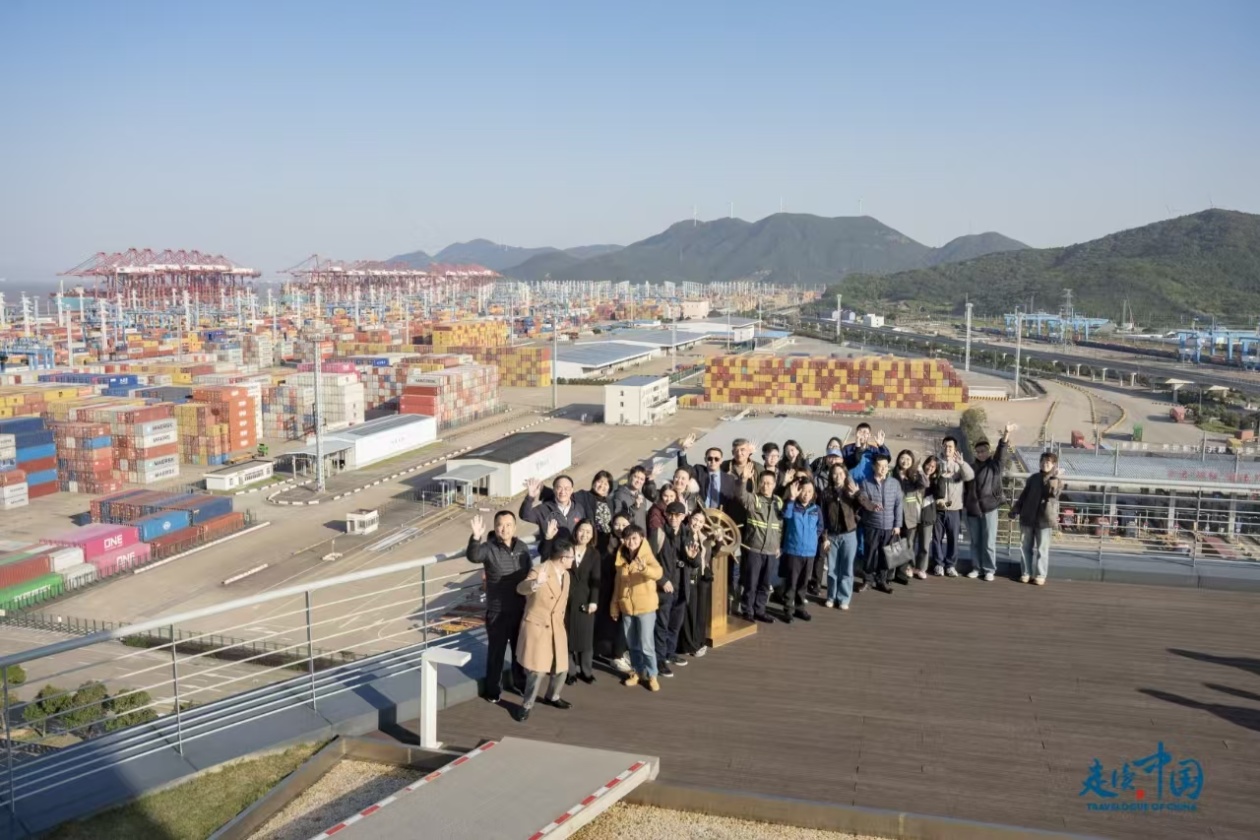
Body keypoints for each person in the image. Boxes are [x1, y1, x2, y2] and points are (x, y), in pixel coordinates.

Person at [468, 511, 531, 703]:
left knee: (519, 651)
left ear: (515, 527)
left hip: (519, 608)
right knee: (496, 653)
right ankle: (493, 690)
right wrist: (476, 537)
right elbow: (474, 556)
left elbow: (529, 573)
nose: (504, 529)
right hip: (497, 611)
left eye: (508, 524)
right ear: (495, 528)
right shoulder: (489, 548)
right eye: (500, 525)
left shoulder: (522, 547)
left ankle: (520, 683)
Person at [512, 541, 575, 722]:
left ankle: (552, 696)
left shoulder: (566, 575)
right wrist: (535, 584)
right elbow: (521, 588)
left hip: (557, 626)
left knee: (561, 667)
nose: (573, 560)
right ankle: (527, 705)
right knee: (537, 671)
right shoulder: (540, 570)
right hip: (539, 626)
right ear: (563, 558)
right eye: (571, 557)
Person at [610, 525, 664, 691]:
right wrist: (614, 605)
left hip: (645, 607)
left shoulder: (646, 555)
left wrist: (644, 569)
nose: (631, 541)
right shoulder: (621, 557)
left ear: (641, 538)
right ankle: (638, 672)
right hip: (627, 607)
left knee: (646, 644)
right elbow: (618, 583)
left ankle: (652, 675)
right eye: (627, 538)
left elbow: (658, 573)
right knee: (632, 643)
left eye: (634, 538)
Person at [649, 501, 697, 677]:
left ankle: (669, 652)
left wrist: (692, 558)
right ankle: (659, 659)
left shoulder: (688, 534)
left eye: (678, 515)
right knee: (661, 625)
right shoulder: (659, 533)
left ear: (683, 517)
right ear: (666, 515)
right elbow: (649, 561)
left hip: (682, 587)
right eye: (670, 514)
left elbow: (696, 563)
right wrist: (662, 580)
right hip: (664, 588)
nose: (674, 518)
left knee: (675, 625)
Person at [964, 423, 1015, 582]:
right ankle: (976, 568)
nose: (981, 454)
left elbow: (1002, 452)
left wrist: (1006, 434)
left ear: (988, 451)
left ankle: (989, 569)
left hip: (989, 508)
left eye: (984, 451)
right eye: (978, 451)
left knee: (989, 542)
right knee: (975, 541)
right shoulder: (971, 467)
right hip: (973, 509)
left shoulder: (995, 465)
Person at [1010, 452, 1063, 585]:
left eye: (1048, 462)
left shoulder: (1057, 480)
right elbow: (1023, 496)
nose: (1045, 464)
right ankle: (1026, 573)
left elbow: (1052, 494)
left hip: (1044, 519)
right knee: (1025, 547)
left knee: (1042, 549)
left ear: (1054, 465)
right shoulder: (1033, 478)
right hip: (1027, 517)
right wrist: (1015, 509)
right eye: (1042, 461)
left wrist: (1053, 477)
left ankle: (1040, 575)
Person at [739, 470, 783, 622]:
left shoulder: (779, 502)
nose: (765, 486)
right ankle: (748, 610)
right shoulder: (754, 499)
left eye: (769, 483)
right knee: (751, 583)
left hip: (771, 551)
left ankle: (760, 610)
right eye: (763, 482)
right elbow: (742, 496)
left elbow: (780, 527)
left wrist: (778, 545)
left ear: (774, 485)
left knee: (765, 584)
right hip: (754, 550)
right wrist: (743, 480)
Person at [857, 452, 904, 595]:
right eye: (880, 466)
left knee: (886, 555)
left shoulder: (894, 483)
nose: (883, 469)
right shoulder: (866, 483)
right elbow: (863, 499)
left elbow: (899, 505)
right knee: (870, 554)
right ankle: (867, 580)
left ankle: (882, 580)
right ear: (873, 467)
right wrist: (872, 505)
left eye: (886, 466)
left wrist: (897, 525)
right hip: (872, 525)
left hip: (889, 526)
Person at [819, 462, 863, 609]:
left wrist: (857, 494)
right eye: (834, 474)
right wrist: (824, 538)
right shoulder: (826, 493)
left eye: (840, 473)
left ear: (845, 475)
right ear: (831, 476)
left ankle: (844, 598)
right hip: (832, 535)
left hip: (849, 534)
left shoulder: (850, 491)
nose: (837, 476)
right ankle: (831, 596)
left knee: (847, 568)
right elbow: (823, 517)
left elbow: (864, 506)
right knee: (832, 568)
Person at [780, 478, 823, 623]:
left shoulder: (816, 509)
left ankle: (799, 608)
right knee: (791, 582)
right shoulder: (792, 506)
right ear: (798, 491)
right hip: (793, 551)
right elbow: (785, 516)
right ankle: (788, 609)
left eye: (810, 491)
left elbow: (820, 527)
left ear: (813, 493)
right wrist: (791, 498)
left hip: (809, 553)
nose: (806, 494)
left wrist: (813, 540)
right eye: (803, 491)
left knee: (804, 582)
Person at [563, 520, 601, 685]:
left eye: (588, 531)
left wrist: (594, 601)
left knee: (585, 639)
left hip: (585, 600)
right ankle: (570, 672)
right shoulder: (566, 549)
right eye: (581, 530)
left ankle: (586, 671)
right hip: (565, 600)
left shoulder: (594, 554)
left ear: (592, 535)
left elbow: (596, 579)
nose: (584, 534)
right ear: (575, 531)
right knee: (566, 638)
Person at [594, 513, 633, 672]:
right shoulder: (605, 540)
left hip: (627, 588)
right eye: (617, 524)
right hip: (607, 585)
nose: (620, 528)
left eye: (624, 524)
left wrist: (627, 548)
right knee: (609, 619)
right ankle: (611, 653)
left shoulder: (634, 541)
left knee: (625, 620)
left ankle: (619, 652)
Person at [932, 436, 975, 577]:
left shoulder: (959, 465)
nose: (947, 449)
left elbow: (970, 476)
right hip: (938, 508)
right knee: (936, 538)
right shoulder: (936, 462)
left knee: (953, 539)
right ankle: (938, 564)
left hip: (955, 509)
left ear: (955, 449)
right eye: (945, 446)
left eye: (950, 446)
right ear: (942, 447)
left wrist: (962, 463)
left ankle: (950, 565)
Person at [678, 509, 714, 656]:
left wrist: (718, 542)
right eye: (695, 519)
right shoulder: (683, 534)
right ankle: (689, 645)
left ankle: (699, 642)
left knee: (700, 611)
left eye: (700, 521)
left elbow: (711, 555)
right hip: (689, 576)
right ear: (689, 519)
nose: (697, 523)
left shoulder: (703, 538)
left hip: (701, 577)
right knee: (690, 611)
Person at [892, 450, 926, 586]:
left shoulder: (914, 476)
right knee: (895, 543)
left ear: (912, 461)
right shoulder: (892, 474)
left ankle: (902, 572)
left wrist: (920, 470)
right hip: (894, 514)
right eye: (902, 458)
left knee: (907, 544)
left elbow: (924, 484)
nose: (905, 461)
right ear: (898, 460)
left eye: (908, 459)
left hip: (910, 515)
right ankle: (893, 572)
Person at [520, 475, 585, 541]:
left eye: (567, 488)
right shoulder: (543, 509)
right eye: (559, 488)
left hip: (573, 547)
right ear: (554, 490)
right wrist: (530, 497)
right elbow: (525, 516)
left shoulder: (578, 508)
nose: (563, 492)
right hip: (551, 547)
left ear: (571, 490)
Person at [911, 456, 940, 579]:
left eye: (933, 466)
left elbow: (939, 493)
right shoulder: (916, 476)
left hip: (927, 515)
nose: (930, 468)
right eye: (928, 464)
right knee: (910, 542)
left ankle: (921, 568)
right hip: (913, 514)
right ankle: (909, 566)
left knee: (924, 545)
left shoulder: (936, 481)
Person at [612, 464, 660, 532]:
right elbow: (618, 518)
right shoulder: (619, 494)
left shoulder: (641, 496)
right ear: (629, 476)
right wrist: (634, 507)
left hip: (642, 535)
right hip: (629, 535)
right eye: (636, 477)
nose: (638, 481)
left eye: (642, 479)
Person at [575, 470, 615, 536]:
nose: (601, 486)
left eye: (605, 484)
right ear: (594, 483)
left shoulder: (610, 502)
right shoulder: (583, 495)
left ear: (609, 488)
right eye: (599, 482)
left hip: (608, 539)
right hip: (591, 538)